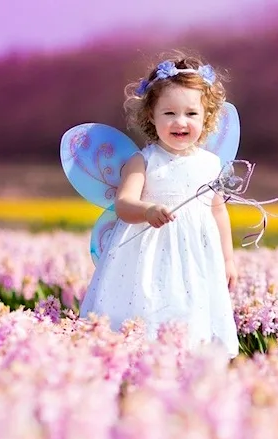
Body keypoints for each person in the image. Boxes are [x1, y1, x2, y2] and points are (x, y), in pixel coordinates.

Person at [79, 52, 239, 358]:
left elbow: (218, 210)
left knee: (192, 310)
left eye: (191, 114)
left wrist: (228, 259)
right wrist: (147, 211)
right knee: (148, 308)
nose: (181, 122)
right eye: (169, 113)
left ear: (208, 116)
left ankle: (187, 362)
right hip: (146, 256)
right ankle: (140, 361)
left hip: (196, 257)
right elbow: (124, 203)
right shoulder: (144, 160)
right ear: (151, 115)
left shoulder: (211, 164)